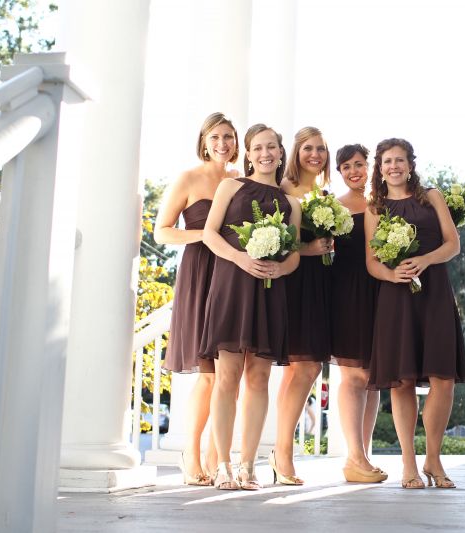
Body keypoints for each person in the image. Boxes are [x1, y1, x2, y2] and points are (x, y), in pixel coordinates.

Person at [198, 124, 301, 490]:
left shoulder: (292, 203)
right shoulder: (231, 186)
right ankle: (222, 465)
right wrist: (239, 259)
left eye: (271, 147)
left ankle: (248, 465)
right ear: (249, 152)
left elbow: (294, 257)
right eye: (258, 147)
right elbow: (210, 233)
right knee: (226, 378)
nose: (264, 153)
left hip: (270, 291)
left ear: (279, 151)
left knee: (258, 378)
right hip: (232, 284)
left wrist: (280, 266)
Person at [364, 138, 465, 489]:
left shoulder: (432, 197)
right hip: (396, 300)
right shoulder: (374, 209)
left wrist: (425, 259)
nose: (394, 166)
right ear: (379, 168)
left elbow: (453, 244)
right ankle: (408, 463)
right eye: (387, 161)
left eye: (400, 160)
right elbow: (372, 263)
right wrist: (391, 274)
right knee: (402, 379)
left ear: (410, 164)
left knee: (443, 377)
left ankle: (434, 459)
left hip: (436, 293)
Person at [155, 112, 239, 486]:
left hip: (234, 276)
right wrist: (202, 236)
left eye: (229, 137)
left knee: (228, 375)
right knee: (207, 375)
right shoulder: (189, 178)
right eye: (216, 136)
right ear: (204, 140)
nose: (223, 143)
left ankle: (215, 456)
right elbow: (162, 232)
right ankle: (191, 453)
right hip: (201, 273)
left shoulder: (239, 180)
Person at [272, 126, 333, 485]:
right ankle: (283, 452)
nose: (315, 154)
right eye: (308, 148)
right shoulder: (284, 189)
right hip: (293, 283)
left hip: (321, 284)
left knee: (300, 371)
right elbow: (281, 239)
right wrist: (310, 249)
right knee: (305, 368)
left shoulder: (325, 193)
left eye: (321, 148)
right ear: (296, 152)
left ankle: (281, 452)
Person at [329, 144, 386, 483]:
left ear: (370, 167)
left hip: (380, 290)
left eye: (360, 164)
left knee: (373, 377)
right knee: (353, 376)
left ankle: (363, 456)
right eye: (347, 166)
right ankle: (353, 456)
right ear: (339, 172)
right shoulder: (334, 207)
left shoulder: (382, 202)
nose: (354, 171)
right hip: (346, 292)